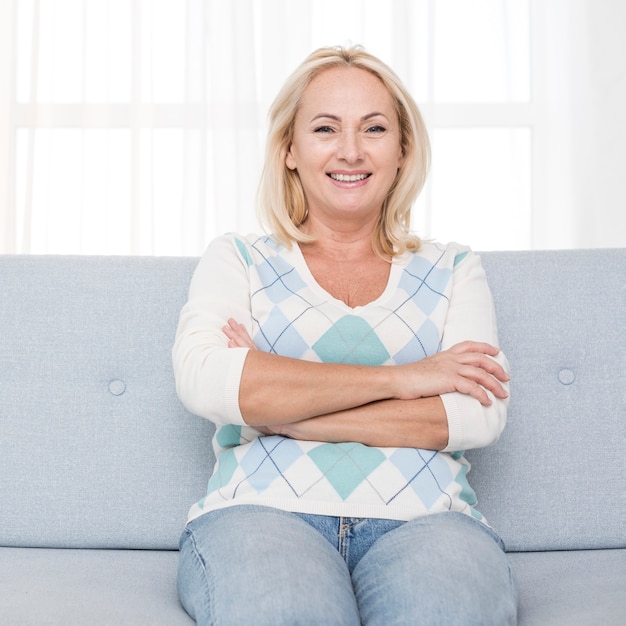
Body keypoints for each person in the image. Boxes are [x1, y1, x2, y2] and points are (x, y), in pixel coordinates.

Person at [173, 45, 518, 625]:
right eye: (325, 128)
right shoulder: (238, 258)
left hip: (428, 519)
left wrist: (277, 405)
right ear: (289, 148)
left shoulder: (455, 268)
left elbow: (473, 415)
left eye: (375, 128)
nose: (351, 150)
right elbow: (207, 381)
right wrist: (409, 379)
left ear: (403, 149)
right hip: (261, 513)